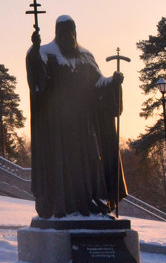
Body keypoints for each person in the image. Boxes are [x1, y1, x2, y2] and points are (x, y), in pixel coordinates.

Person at [26, 15, 127, 218]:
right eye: (64, 33)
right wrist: (35, 51)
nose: (68, 37)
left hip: (85, 124)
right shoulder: (47, 54)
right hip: (59, 125)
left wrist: (113, 83)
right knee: (63, 163)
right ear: (57, 33)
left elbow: (97, 85)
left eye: (71, 33)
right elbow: (39, 84)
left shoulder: (86, 57)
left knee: (90, 160)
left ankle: (90, 200)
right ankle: (63, 203)